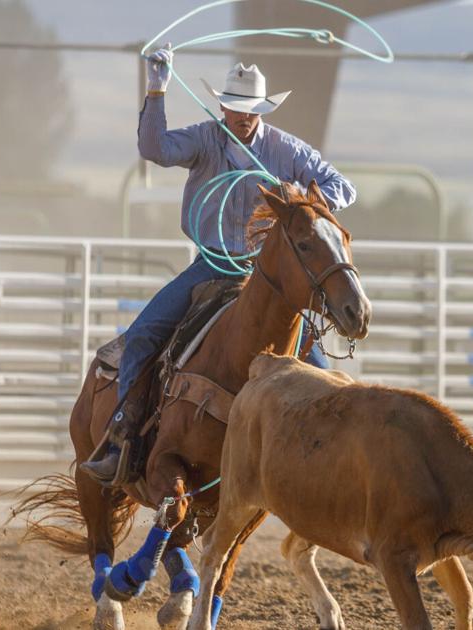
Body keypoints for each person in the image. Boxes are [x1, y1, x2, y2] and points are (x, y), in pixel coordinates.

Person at [81, 45, 356, 485]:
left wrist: (307, 203)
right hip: (210, 266)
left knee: (319, 371)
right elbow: (156, 148)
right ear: (222, 106)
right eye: (234, 108)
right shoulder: (205, 139)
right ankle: (122, 438)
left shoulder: (286, 150)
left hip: (265, 276)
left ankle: (333, 462)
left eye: (250, 109)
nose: (242, 117)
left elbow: (343, 186)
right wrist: (157, 90)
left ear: (262, 110)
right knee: (143, 336)